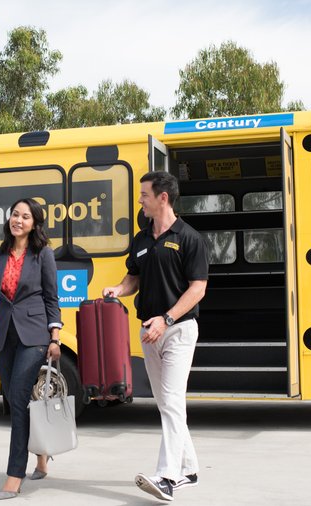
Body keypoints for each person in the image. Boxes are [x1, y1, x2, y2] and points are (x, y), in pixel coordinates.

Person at [103, 171, 208, 502]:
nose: (140, 200)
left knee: (173, 400)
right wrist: (118, 290)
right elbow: (132, 277)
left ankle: (167, 477)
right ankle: (189, 468)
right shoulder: (142, 239)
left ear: (163, 197)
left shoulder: (189, 238)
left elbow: (198, 289)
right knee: (166, 403)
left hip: (178, 329)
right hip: (149, 331)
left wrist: (166, 318)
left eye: (144, 195)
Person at [0, 197, 63, 501]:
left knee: (19, 399)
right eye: (14, 215)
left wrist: (55, 337)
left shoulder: (43, 254)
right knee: (16, 402)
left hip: (34, 337)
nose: (18, 220)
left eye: (25, 216)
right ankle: (42, 453)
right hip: (3, 339)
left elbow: (51, 298)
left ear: (34, 223)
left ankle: (14, 474)